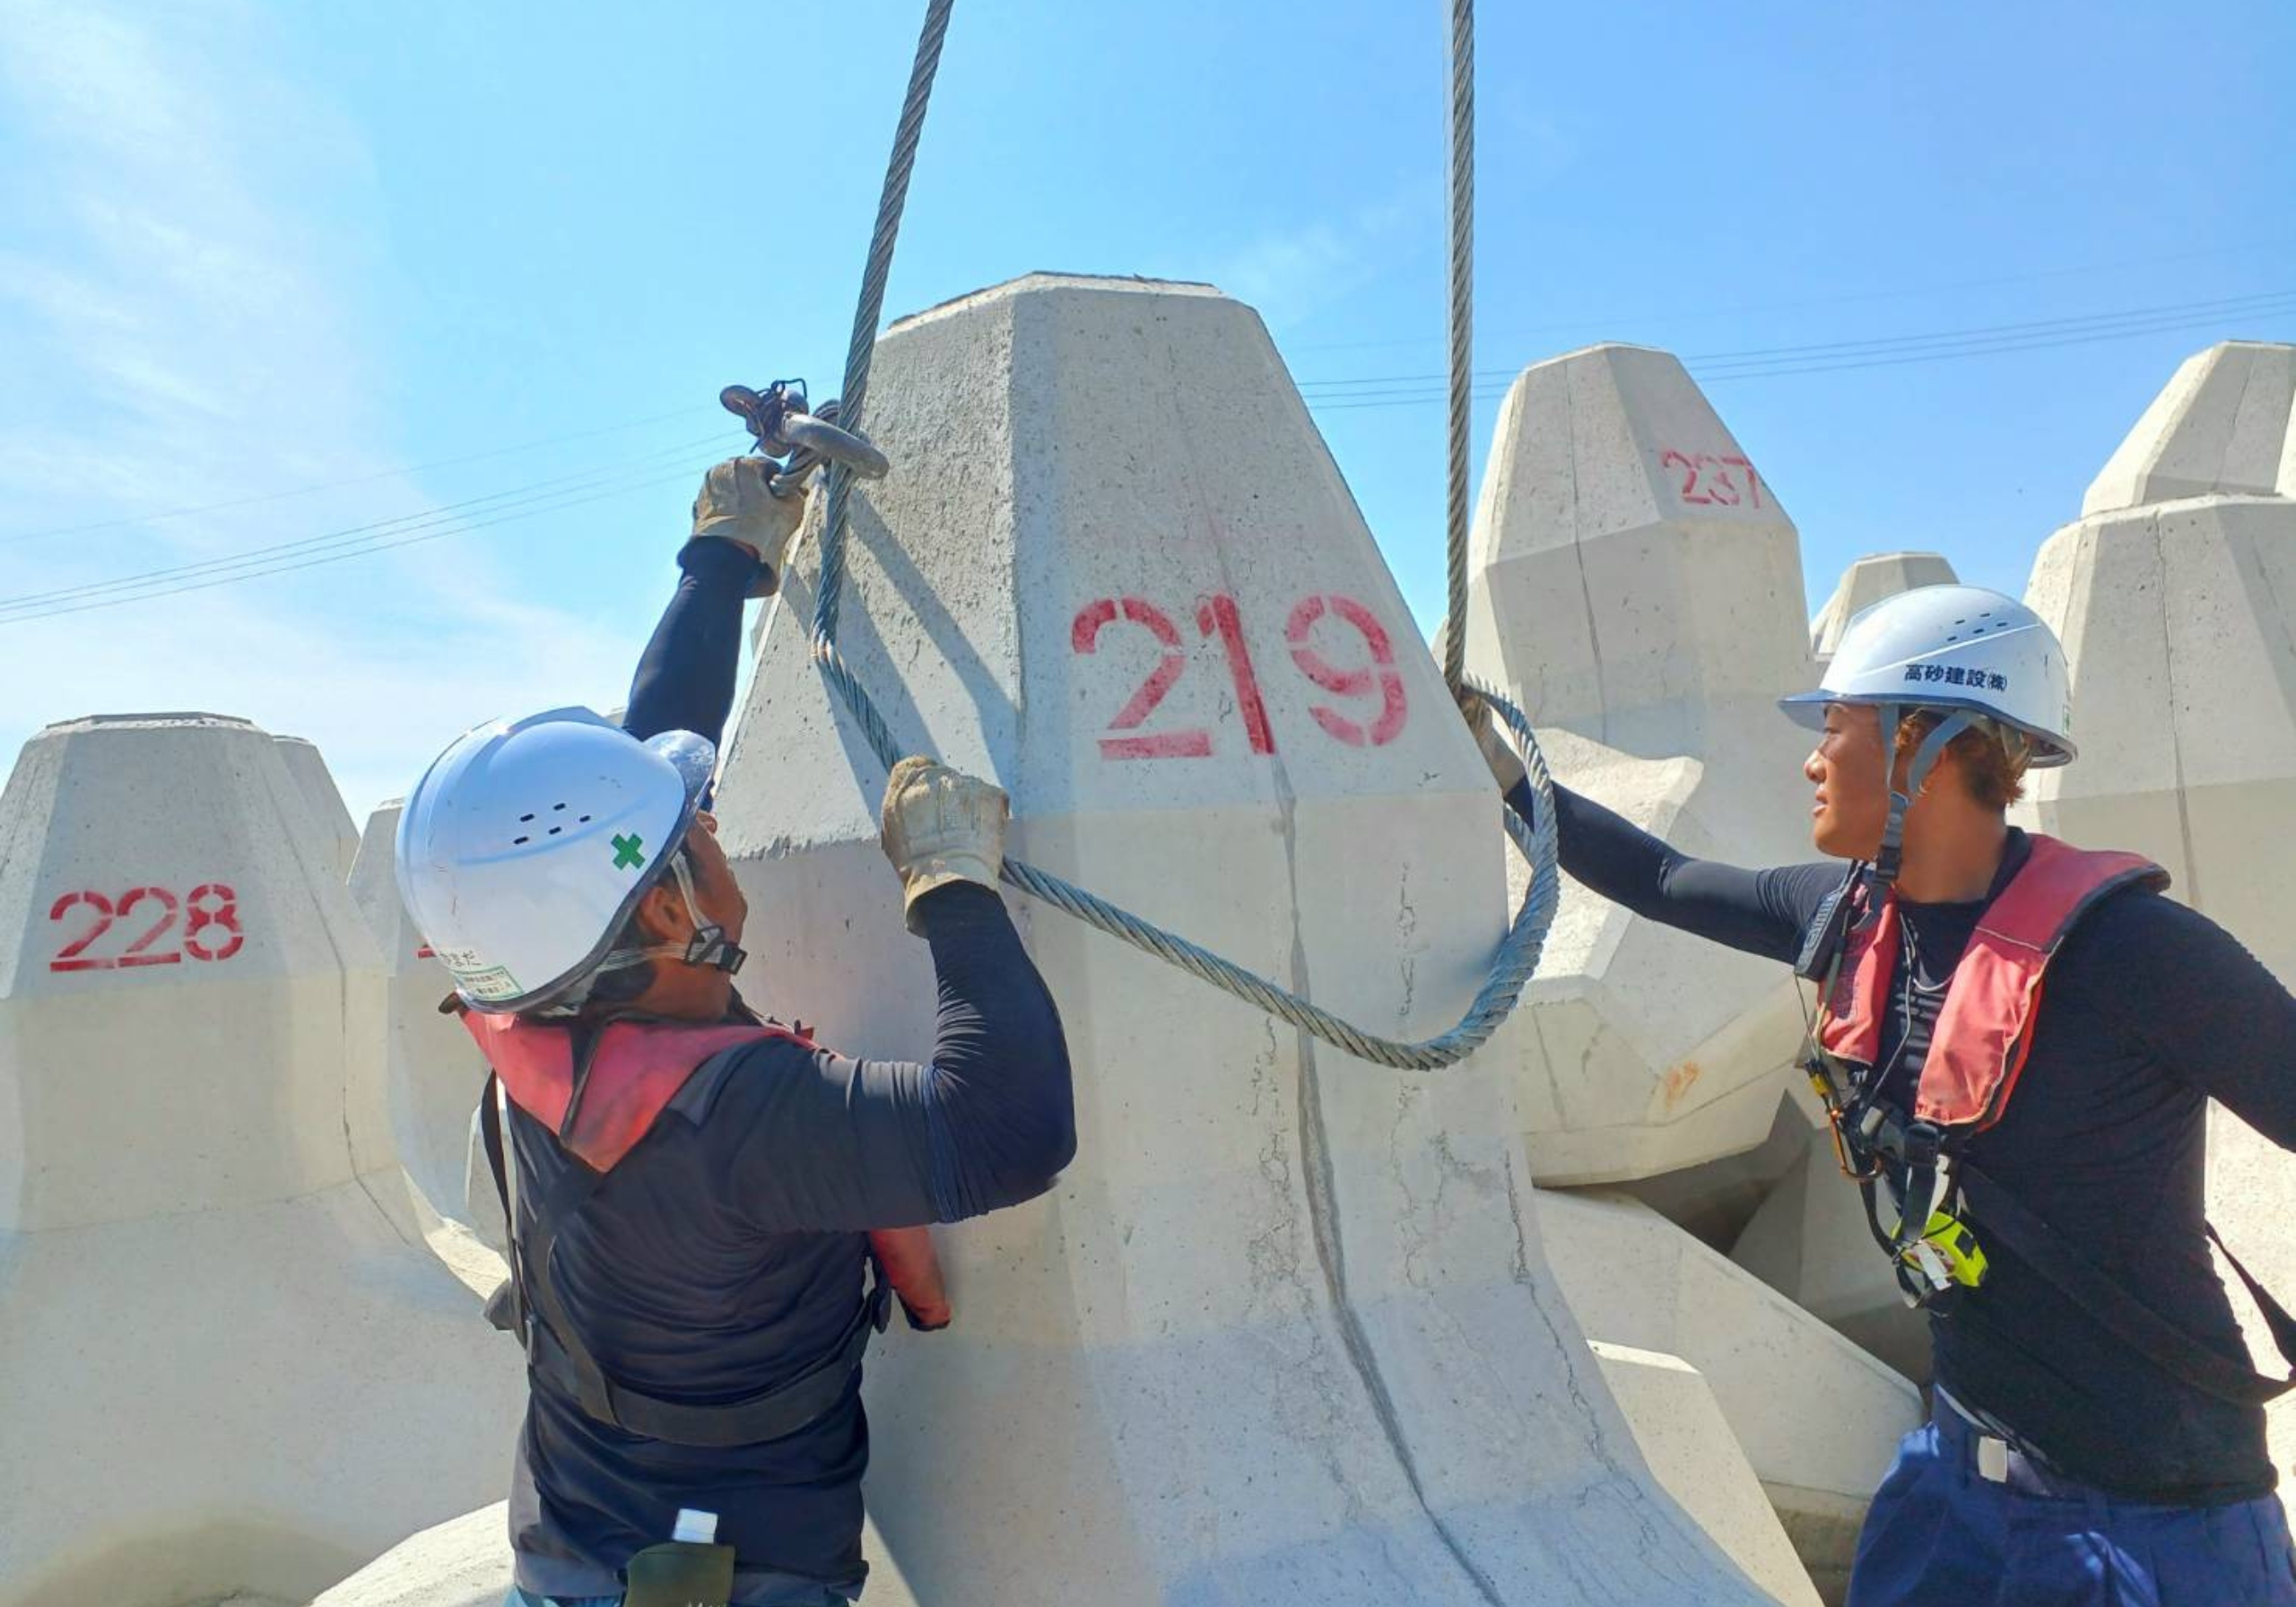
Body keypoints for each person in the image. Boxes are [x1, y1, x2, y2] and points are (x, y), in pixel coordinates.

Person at [1460, 585, 2296, 1606]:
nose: (1812, 759)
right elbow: (1665, 878)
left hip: (2160, 1517)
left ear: (1927, 745)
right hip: (1955, 1486)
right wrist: (1501, 770)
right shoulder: (1851, 917)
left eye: (1838, 726)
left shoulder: (2135, 952)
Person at [396, 456, 1075, 1607]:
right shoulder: (743, 1119)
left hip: (567, 1544)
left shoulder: (533, 1008)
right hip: (732, 1577)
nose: (716, 832)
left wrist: (718, 565)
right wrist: (953, 885)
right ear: (668, 909)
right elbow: (1010, 1126)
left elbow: (637, 788)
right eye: (696, 838)